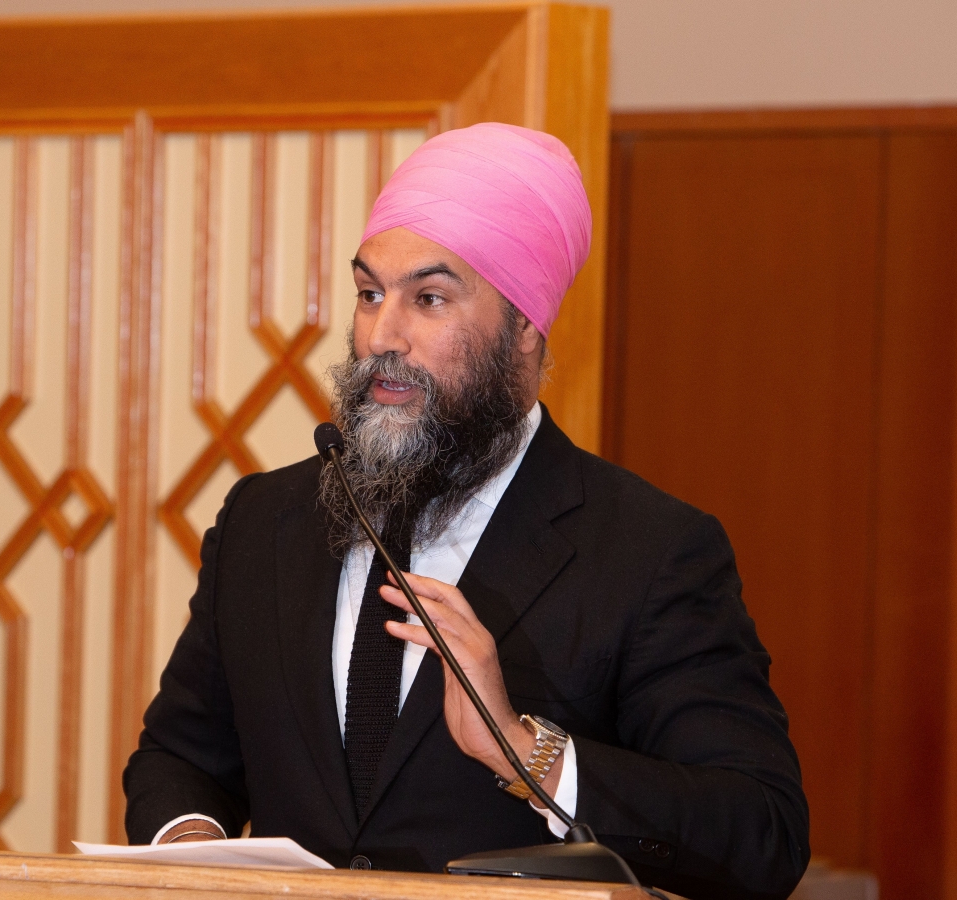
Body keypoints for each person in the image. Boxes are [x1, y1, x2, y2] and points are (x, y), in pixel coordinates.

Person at [123, 123, 809, 900]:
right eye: (370, 293)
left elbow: (763, 836)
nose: (383, 336)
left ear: (525, 326)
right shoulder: (264, 520)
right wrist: (195, 851)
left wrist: (526, 752)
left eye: (430, 299)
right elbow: (178, 758)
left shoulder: (650, 552)